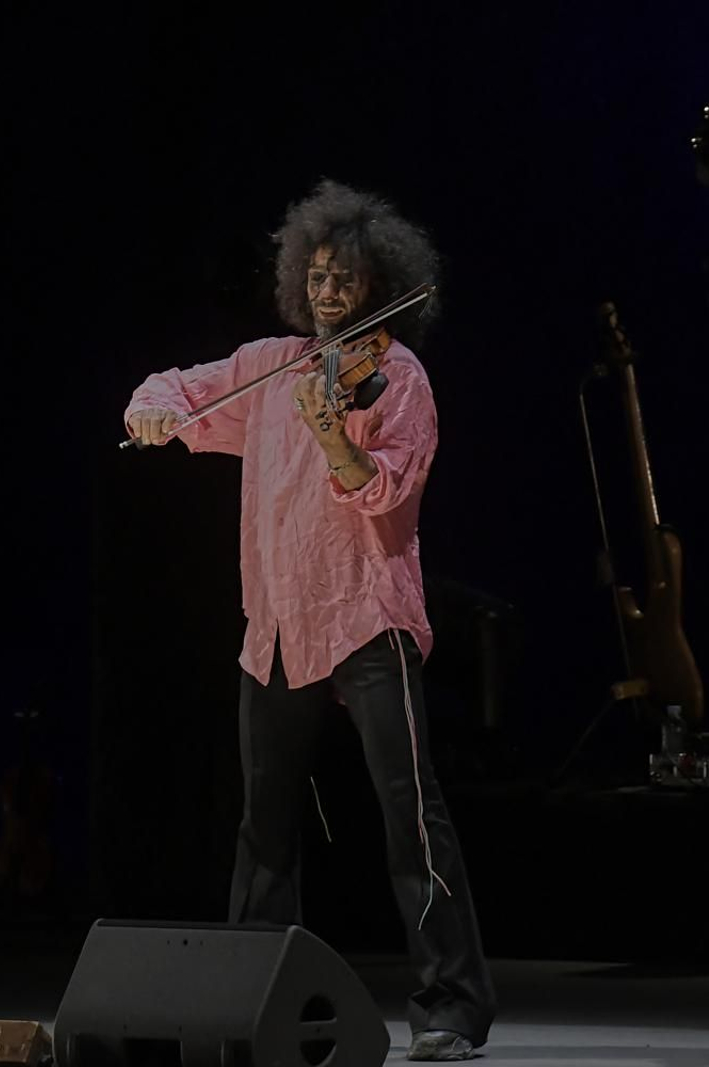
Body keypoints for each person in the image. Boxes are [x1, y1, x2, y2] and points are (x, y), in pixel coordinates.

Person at [122, 179, 495, 1061]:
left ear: (377, 285)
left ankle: (452, 1004)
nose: (331, 295)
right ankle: (248, 999)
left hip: (368, 615)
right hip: (280, 622)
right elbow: (178, 384)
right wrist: (153, 410)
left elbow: (386, 493)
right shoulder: (268, 364)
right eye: (318, 279)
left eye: (347, 281)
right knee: (266, 825)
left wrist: (333, 432)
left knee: (409, 816)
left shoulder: (397, 377)